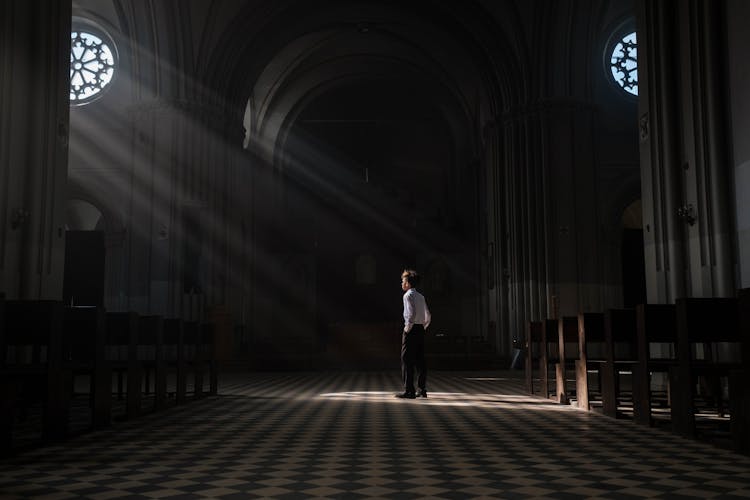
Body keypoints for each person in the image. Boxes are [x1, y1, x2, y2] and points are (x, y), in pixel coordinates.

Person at [396, 269, 431, 399]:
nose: (402, 283)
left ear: (409, 283)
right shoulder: (421, 296)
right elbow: (428, 315)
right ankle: (422, 389)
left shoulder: (407, 295)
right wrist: (423, 326)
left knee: (406, 360)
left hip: (411, 330)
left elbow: (412, 314)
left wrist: (407, 328)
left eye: (403, 281)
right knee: (420, 360)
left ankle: (409, 390)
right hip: (420, 329)